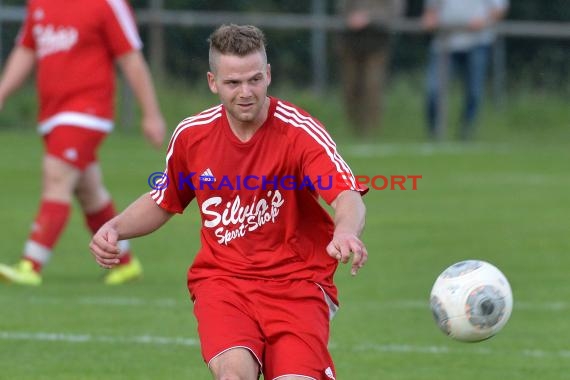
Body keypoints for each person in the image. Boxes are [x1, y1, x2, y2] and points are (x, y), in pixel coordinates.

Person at [90, 24, 368, 380]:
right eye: (233, 83)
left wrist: (345, 232)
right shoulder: (193, 135)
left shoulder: (299, 131)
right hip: (224, 282)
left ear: (268, 75)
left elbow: (345, 193)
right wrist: (114, 227)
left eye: (254, 80)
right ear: (212, 82)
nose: (246, 92)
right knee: (233, 374)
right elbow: (164, 200)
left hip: (297, 284)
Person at [0, 0, 166, 286]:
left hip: (87, 111)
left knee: (57, 177)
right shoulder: (39, 3)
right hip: (52, 113)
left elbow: (131, 58)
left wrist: (151, 114)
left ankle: (31, 264)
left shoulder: (107, 4)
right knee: (89, 190)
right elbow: (26, 50)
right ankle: (124, 263)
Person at [422, 0, 509, 140]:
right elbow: (431, 9)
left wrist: (485, 20)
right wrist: (429, 18)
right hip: (444, 43)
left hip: (477, 42)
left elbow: (499, 9)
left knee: (474, 92)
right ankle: (434, 133)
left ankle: (466, 132)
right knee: (434, 90)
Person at [337, 0, 406, 137]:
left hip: (377, 43)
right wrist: (349, 17)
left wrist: (369, 18)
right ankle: (354, 131)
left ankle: (372, 133)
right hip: (351, 42)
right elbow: (342, 8)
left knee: (372, 87)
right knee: (350, 88)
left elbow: (395, 12)